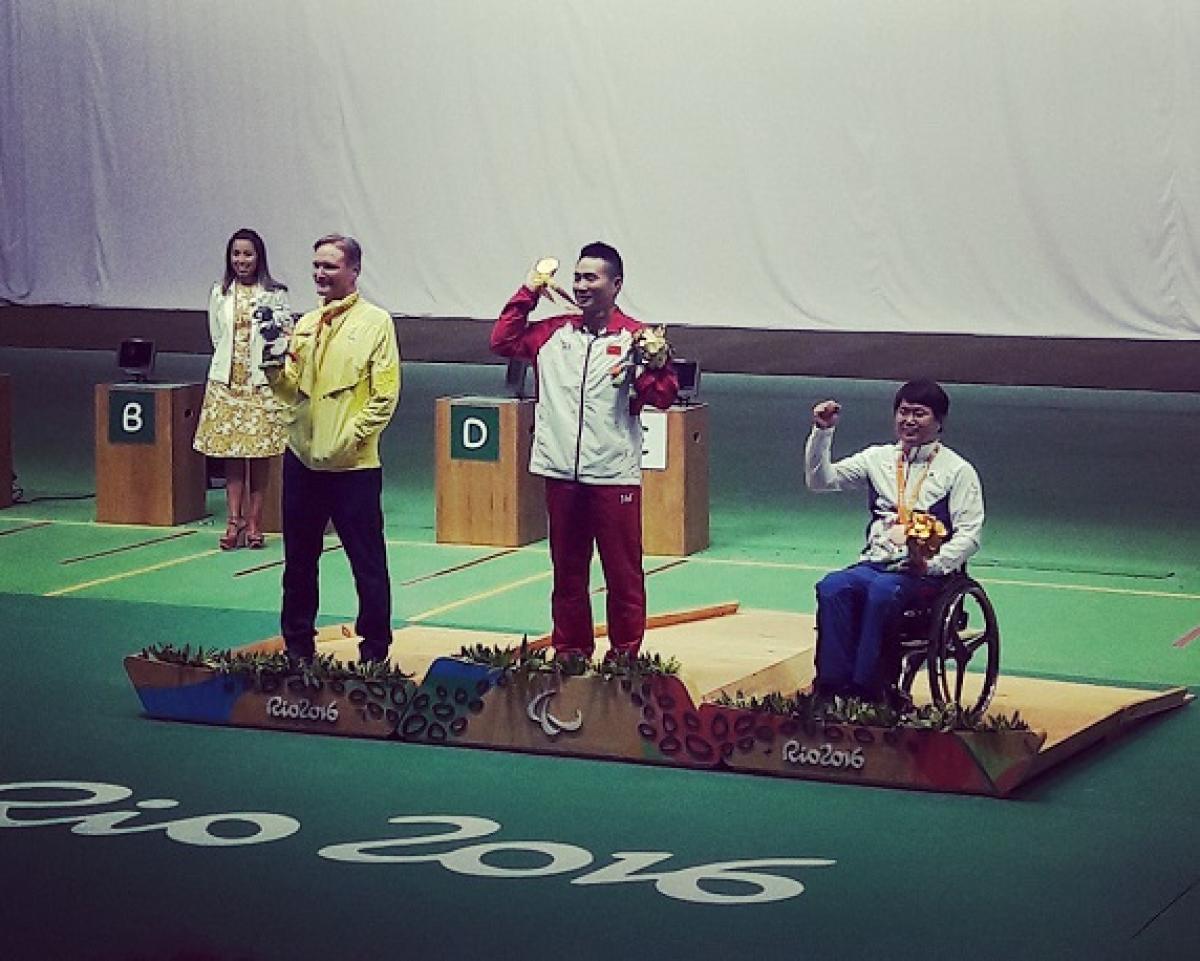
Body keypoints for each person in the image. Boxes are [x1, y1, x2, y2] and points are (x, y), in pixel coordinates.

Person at [491, 242, 678, 663]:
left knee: (623, 575)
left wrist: (651, 367)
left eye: (591, 278)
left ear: (616, 284)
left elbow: (664, 397)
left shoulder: (638, 337)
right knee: (568, 573)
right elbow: (502, 341)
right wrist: (529, 291)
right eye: (576, 277)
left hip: (613, 474)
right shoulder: (552, 332)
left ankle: (624, 656)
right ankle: (571, 650)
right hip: (560, 472)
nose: (581, 286)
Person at [264, 234, 400, 665]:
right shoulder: (305, 325)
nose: (320, 274)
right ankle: (297, 648)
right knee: (298, 564)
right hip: (302, 461)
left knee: (368, 565)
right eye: (317, 266)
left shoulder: (376, 323)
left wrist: (351, 439)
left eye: (330, 266)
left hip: (353, 467)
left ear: (354, 271)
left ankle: (374, 653)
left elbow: (385, 395)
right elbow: (291, 392)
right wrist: (271, 365)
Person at [805, 379, 984, 702]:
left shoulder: (958, 470)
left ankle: (872, 690)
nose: (909, 420)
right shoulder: (878, 459)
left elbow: (970, 534)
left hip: (926, 575)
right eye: (903, 412)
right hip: (875, 564)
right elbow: (821, 481)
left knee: (883, 592)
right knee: (832, 586)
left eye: (919, 413)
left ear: (940, 421)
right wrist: (822, 432)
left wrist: (931, 564)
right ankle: (831, 687)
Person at [193, 228, 291, 549]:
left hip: (260, 386)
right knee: (231, 455)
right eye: (236, 254)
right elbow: (216, 335)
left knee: (259, 456)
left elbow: (283, 337)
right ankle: (232, 522)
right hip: (227, 384)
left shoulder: (275, 294)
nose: (241, 260)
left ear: (259, 256)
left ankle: (255, 523)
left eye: (248, 254)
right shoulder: (219, 293)